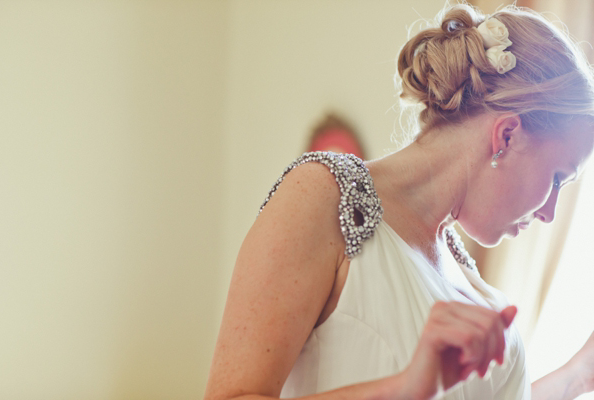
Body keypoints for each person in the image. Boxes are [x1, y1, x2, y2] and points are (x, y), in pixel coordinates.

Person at [204, 3, 594, 400]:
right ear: (507, 136)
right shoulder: (323, 198)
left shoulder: (468, 279)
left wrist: (578, 376)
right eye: (559, 179)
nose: (549, 213)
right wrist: (404, 389)